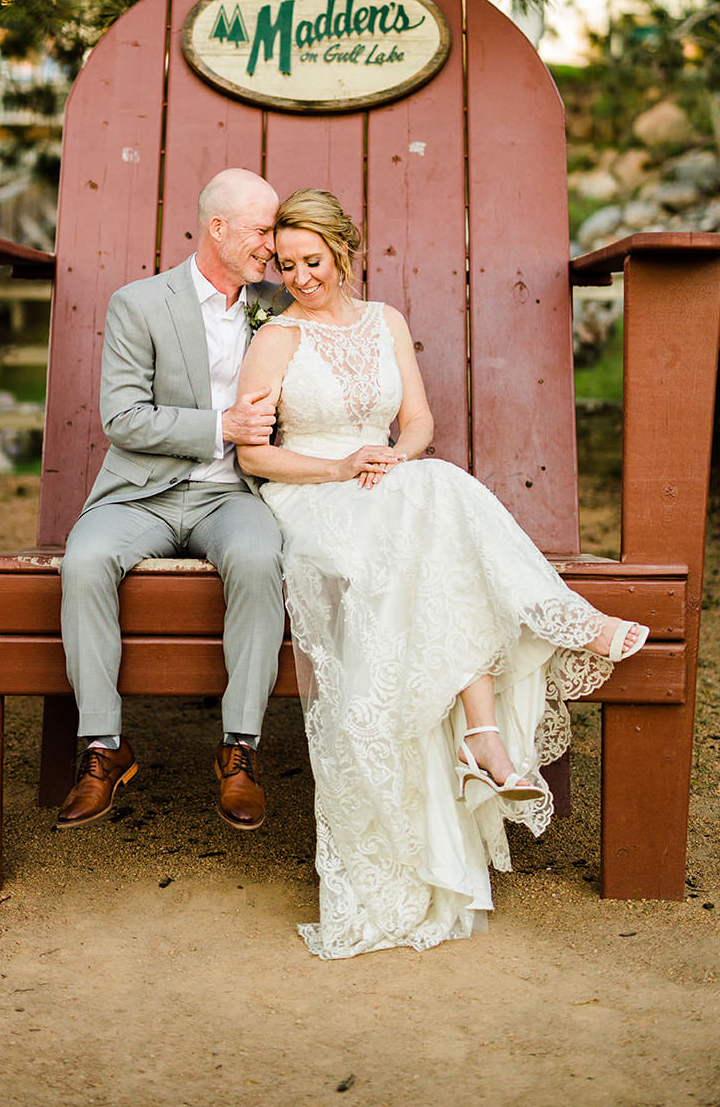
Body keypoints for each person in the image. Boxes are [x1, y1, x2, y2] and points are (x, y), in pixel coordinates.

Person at [235, 188, 650, 959]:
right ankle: (548, 643)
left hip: (383, 482)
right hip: (312, 497)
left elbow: (418, 421)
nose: (300, 277)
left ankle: (481, 738)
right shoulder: (275, 339)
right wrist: (339, 465)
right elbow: (254, 455)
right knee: (438, 496)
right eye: (286, 265)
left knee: (431, 488)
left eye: (313, 262)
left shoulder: (384, 321)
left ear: (344, 253)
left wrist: (393, 453)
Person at [56, 167, 287, 834]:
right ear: (217, 228)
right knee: (84, 561)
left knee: (256, 559)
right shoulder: (139, 303)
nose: (271, 245)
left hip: (234, 496)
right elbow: (123, 418)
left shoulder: (278, 306)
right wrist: (220, 427)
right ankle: (103, 749)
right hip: (142, 495)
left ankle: (239, 750)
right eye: (262, 230)